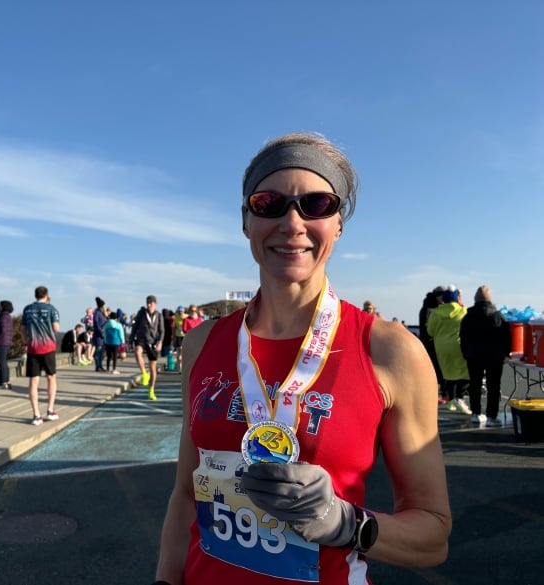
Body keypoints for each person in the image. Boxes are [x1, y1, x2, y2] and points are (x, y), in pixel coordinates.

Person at [154, 133, 451, 585]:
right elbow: (183, 495)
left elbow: (433, 535)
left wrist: (347, 523)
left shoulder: (391, 351)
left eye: (316, 204)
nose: (292, 223)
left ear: (338, 224)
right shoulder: (201, 344)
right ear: (245, 220)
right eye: (269, 202)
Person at [460, 285, 511, 427]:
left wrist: (465, 352)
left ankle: (476, 413)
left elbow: (463, 337)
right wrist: (506, 353)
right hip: (494, 356)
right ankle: (491, 416)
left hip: (473, 354)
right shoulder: (498, 315)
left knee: (475, 384)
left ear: (475, 298)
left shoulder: (468, 315)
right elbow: (506, 337)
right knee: (493, 385)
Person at [427, 285, 472, 414]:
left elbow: (430, 331)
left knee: (448, 373)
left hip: (441, 346)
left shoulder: (435, 313)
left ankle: (452, 399)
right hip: (458, 345)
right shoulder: (463, 311)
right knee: (465, 373)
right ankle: (459, 397)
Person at [21, 285, 60, 425]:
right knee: (51, 378)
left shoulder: (27, 309)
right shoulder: (51, 309)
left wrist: (27, 342)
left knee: (33, 380)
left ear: (35, 295)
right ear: (46, 295)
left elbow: (23, 329)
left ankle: (36, 415)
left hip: (33, 347)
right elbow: (56, 327)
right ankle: (50, 410)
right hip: (48, 347)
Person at [131, 295, 164, 401]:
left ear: (155, 303)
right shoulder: (141, 313)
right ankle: (144, 373)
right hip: (142, 339)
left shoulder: (159, 315)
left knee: (153, 368)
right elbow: (134, 327)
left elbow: (162, 330)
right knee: (137, 351)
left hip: (153, 342)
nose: (149, 305)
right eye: (148, 303)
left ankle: (151, 390)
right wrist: (130, 340)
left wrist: (160, 342)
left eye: (151, 303)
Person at [419, 287, 445, 401]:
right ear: (438, 296)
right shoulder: (431, 309)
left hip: (429, 343)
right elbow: (428, 328)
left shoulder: (427, 307)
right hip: (431, 344)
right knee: (436, 370)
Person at [0, 300, 14, 389]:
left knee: (2, 362)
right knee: (4, 362)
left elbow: (3, 330)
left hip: (2, 342)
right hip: (6, 342)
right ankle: (7, 381)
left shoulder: (3, 317)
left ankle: (3, 382)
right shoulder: (8, 317)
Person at [92, 297, 107, 372]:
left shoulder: (101, 313)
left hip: (102, 336)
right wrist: (101, 332)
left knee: (101, 352)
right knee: (98, 351)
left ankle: (100, 365)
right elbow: (97, 324)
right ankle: (98, 366)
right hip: (99, 336)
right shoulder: (97, 313)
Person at [173, 306, 187, 371]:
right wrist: (173, 336)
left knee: (185, 351)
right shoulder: (176, 318)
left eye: (181, 311)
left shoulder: (187, 316)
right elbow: (174, 327)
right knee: (180, 350)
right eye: (179, 311)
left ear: (184, 311)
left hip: (186, 335)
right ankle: (179, 366)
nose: (180, 313)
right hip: (179, 336)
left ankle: (184, 364)